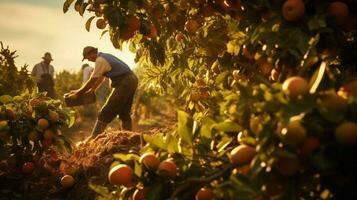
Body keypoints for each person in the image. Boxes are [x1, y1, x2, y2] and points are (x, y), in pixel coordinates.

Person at [68, 46, 138, 141]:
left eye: (87, 57)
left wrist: (78, 93)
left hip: (124, 82)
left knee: (105, 112)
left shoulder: (99, 60)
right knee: (124, 113)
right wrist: (92, 90)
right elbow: (101, 78)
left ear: (92, 53)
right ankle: (129, 138)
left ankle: (94, 139)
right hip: (131, 79)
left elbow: (92, 80)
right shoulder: (105, 56)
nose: (88, 60)